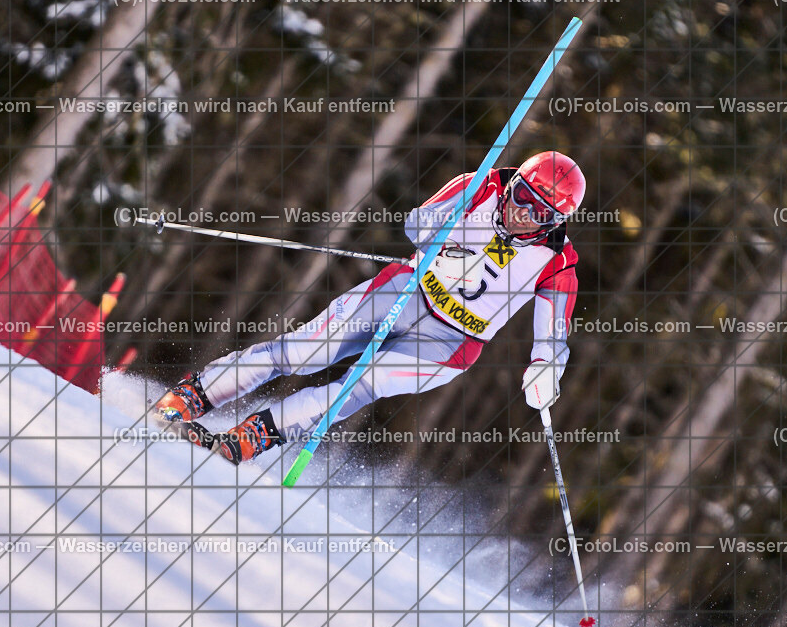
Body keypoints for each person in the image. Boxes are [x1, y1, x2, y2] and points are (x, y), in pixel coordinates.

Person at [154, 151, 585, 465]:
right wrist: (444, 233)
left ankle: (249, 438)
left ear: (556, 222)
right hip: (409, 288)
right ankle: (192, 397)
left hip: (452, 341)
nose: (523, 215)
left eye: (541, 214)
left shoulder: (558, 263)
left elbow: (553, 337)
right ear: (514, 184)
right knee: (308, 351)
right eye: (523, 197)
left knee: (357, 386)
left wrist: (544, 370)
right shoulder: (483, 185)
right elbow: (418, 222)